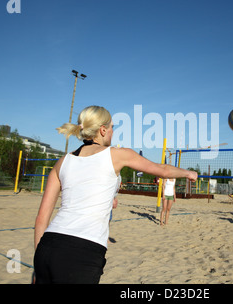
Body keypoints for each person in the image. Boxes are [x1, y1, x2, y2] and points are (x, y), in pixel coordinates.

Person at [33, 106, 197, 284]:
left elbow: (42, 218)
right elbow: (163, 170)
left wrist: (37, 265)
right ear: (103, 130)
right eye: (112, 127)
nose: (112, 132)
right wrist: (188, 173)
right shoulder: (118, 155)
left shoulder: (63, 162)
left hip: (47, 247)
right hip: (83, 250)